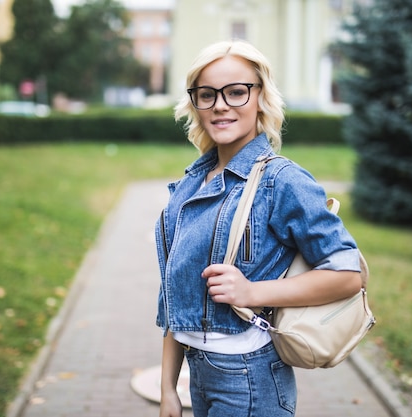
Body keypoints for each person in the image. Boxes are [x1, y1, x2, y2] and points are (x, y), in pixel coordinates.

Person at [155, 40, 362, 417]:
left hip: (249, 379)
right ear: (195, 103)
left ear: (260, 97)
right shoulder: (192, 184)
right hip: (199, 375)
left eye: (236, 92)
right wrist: (169, 386)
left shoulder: (281, 180)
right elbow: (173, 292)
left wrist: (252, 291)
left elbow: (348, 275)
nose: (220, 104)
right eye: (207, 94)